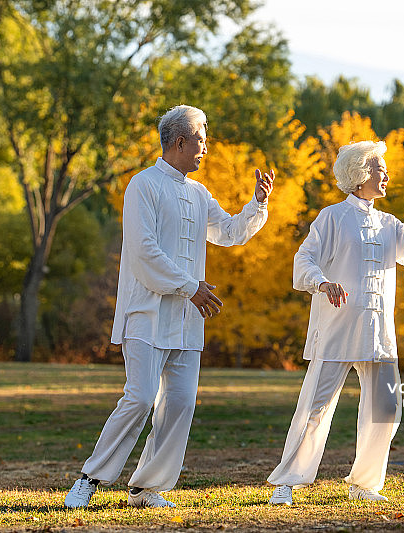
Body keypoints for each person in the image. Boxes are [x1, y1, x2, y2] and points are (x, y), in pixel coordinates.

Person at [64, 104, 275, 509]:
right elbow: (144, 253)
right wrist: (189, 286)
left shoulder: (199, 194)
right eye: (202, 138)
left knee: (179, 403)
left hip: (186, 321)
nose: (206, 148)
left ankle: (147, 489)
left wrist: (258, 205)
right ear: (180, 141)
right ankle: (90, 478)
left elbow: (229, 232)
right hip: (146, 314)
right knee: (140, 397)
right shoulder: (142, 186)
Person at [267, 140, 404, 505]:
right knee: (315, 408)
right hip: (337, 329)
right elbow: (304, 260)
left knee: (387, 410)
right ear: (360, 175)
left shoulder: (389, 224)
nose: (386, 175)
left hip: (379, 334)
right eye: (380, 169)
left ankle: (363, 485)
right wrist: (322, 282)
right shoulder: (332, 217)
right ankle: (288, 481)